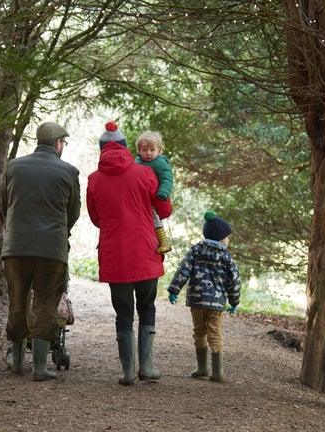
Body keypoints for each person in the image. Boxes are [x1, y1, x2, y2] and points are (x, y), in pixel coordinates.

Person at [86, 121, 173, 386]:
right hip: (146, 251)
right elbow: (165, 210)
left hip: (115, 255)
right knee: (147, 307)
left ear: (102, 150)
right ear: (126, 147)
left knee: (123, 312)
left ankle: (127, 372)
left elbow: (96, 218)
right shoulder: (144, 173)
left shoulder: (94, 179)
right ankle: (146, 368)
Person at [1, 121, 81, 381]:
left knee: (18, 300)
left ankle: (16, 360)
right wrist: (59, 232)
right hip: (51, 251)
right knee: (45, 303)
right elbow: (73, 213)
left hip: (16, 247)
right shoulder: (69, 172)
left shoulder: (13, 167)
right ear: (58, 144)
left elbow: (5, 204)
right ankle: (38, 367)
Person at [166, 211, 241, 382]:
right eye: (227, 237)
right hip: (216, 304)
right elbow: (234, 281)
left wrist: (174, 290)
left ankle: (201, 368)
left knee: (199, 333)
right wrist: (234, 301)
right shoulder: (226, 257)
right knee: (215, 334)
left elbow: (183, 270)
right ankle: (217, 372)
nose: (228, 241)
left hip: (197, 301)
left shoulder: (196, 250)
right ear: (221, 238)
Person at [135, 131, 174, 254]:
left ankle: (164, 242)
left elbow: (167, 178)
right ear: (139, 150)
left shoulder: (160, 163)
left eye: (152, 150)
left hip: (156, 196)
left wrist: (163, 192)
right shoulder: (136, 162)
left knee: (155, 216)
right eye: (144, 150)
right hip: (141, 197)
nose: (148, 153)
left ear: (159, 150)